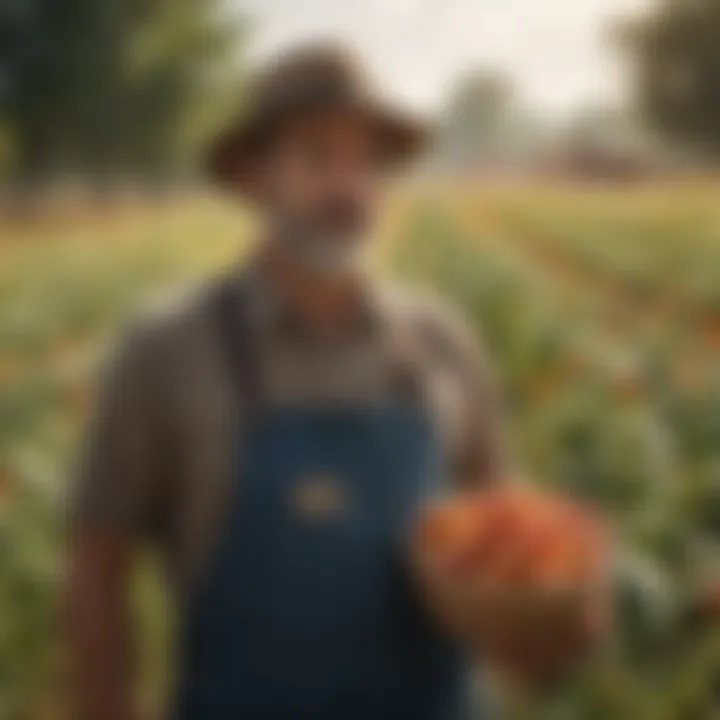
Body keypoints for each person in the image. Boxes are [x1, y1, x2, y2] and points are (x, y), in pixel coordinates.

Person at [66, 43, 602, 720]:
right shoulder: (166, 351)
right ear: (256, 175)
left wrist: (540, 625)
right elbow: (96, 567)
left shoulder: (442, 344)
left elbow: (495, 537)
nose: (347, 189)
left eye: (365, 162)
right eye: (318, 156)